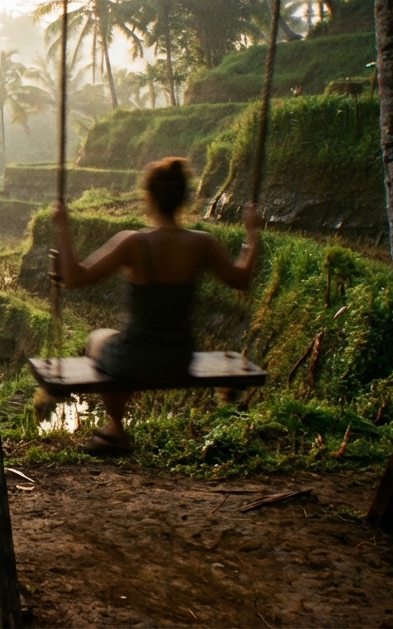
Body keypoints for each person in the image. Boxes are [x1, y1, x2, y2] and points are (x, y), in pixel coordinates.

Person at [40, 157, 261, 455]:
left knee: (97, 340)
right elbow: (241, 279)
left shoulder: (134, 243)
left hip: (136, 358)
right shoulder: (202, 244)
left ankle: (116, 428)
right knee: (115, 345)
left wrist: (63, 228)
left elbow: (76, 278)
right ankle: (113, 430)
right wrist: (252, 236)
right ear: (183, 198)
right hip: (179, 357)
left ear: (150, 198)